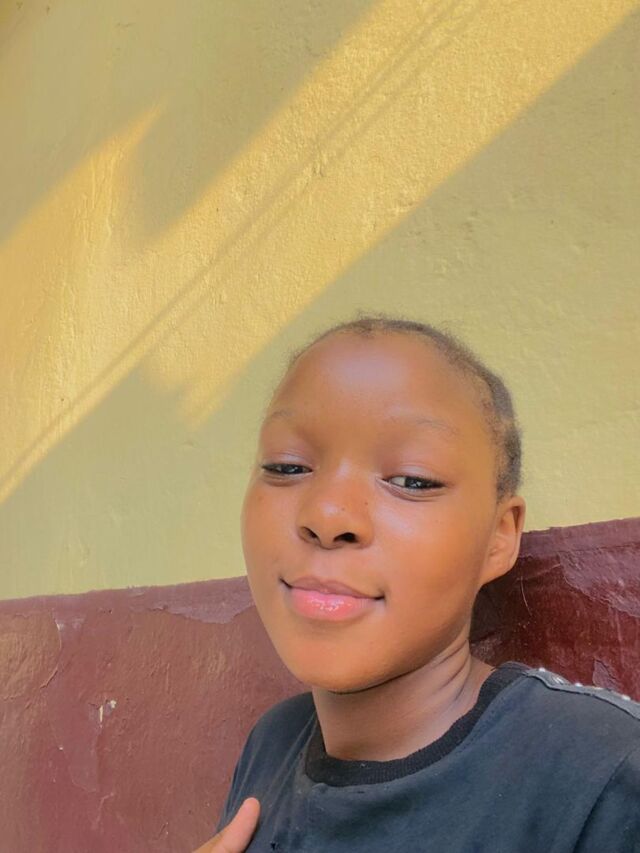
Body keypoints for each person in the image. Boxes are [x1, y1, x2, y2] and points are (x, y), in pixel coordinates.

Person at [194, 316, 640, 852]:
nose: (327, 514)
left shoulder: (602, 775)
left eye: (412, 480)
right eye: (287, 467)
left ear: (499, 536)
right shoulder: (273, 744)